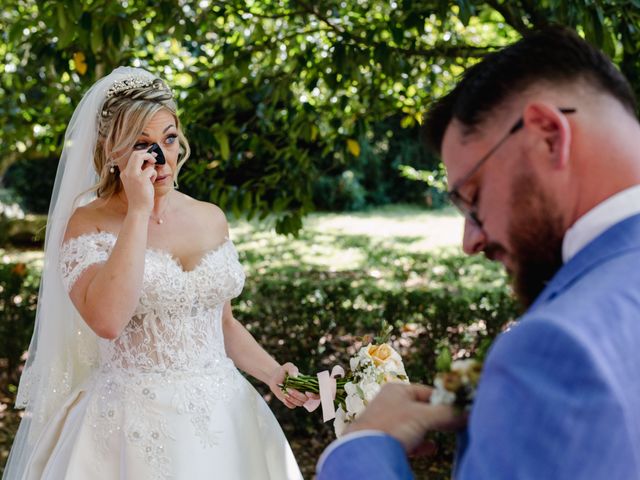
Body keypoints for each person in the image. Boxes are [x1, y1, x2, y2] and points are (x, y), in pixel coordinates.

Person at [317, 26, 640, 479]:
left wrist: (364, 444)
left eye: (473, 199)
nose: (470, 242)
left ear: (548, 135)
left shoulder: (559, 347)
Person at [3, 67, 309, 479]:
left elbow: (222, 323)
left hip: (225, 415)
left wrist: (274, 374)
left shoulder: (210, 218)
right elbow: (107, 320)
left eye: (168, 139)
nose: (161, 158)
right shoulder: (85, 224)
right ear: (112, 151)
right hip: (132, 430)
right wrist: (139, 211)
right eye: (143, 145)